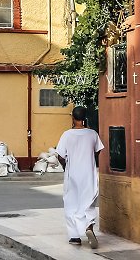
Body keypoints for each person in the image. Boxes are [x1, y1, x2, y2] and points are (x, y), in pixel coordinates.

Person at [55, 106, 104, 248]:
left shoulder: (67, 134)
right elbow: (98, 151)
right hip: (88, 172)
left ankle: (75, 237)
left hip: (73, 173)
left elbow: (60, 156)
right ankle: (88, 227)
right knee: (88, 201)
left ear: (73, 117)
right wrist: (90, 159)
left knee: (71, 202)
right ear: (85, 117)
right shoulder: (92, 134)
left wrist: (66, 167)